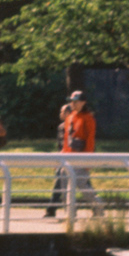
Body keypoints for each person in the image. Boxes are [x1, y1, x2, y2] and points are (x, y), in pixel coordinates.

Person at [46, 90, 97, 218]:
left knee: (82, 185)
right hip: (67, 158)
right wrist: (61, 158)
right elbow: (66, 141)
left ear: (83, 102)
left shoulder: (88, 118)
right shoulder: (70, 117)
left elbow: (90, 141)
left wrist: (88, 161)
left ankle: (98, 207)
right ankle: (70, 213)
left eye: (76, 101)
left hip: (81, 158)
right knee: (64, 186)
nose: (73, 104)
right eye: (71, 101)